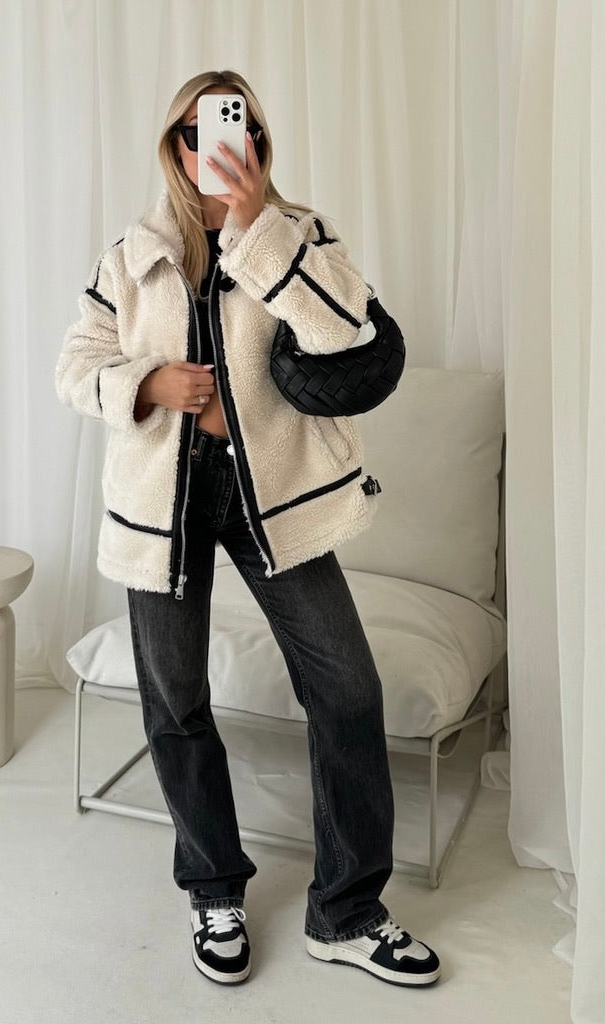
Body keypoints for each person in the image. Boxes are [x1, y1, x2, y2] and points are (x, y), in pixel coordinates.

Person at [55, 69, 441, 989]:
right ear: (175, 146)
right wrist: (147, 384)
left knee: (348, 691)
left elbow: (347, 333)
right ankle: (213, 890)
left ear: (262, 145)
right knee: (176, 702)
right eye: (204, 131)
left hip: (275, 495)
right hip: (164, 500)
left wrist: (257, 225)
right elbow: (75, 365)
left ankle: (348, 912)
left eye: (246, 131)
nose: (227, 145)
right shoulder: (130, 255)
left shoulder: (302, 234)